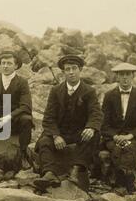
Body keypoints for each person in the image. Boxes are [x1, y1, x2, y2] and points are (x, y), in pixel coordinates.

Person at [34, 55, 102, 191]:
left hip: (79, 133)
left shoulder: (89, 91)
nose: (71, 72)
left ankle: (76, 171)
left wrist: (90, 127)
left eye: (74, 68)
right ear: (63, 72)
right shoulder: (56, 91)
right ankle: (49, 173)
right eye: (67, 69)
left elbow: (96, 113)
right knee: (44, 141)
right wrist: (55, 136)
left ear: (80, 70)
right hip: (61, 133)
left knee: (93, 135)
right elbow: (48, 117)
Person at [101, 62, 136, 193]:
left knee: (128, 148)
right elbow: (104, 124)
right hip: (114, 136)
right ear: (117, 77)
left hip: (133, 136)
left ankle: (123, 179)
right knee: (117, 149)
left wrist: (130, 136)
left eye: (128, 74)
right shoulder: (109, 96)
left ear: (133, 76)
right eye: (121, 75)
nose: (125, 78)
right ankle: (127, 177)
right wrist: (115, 136)